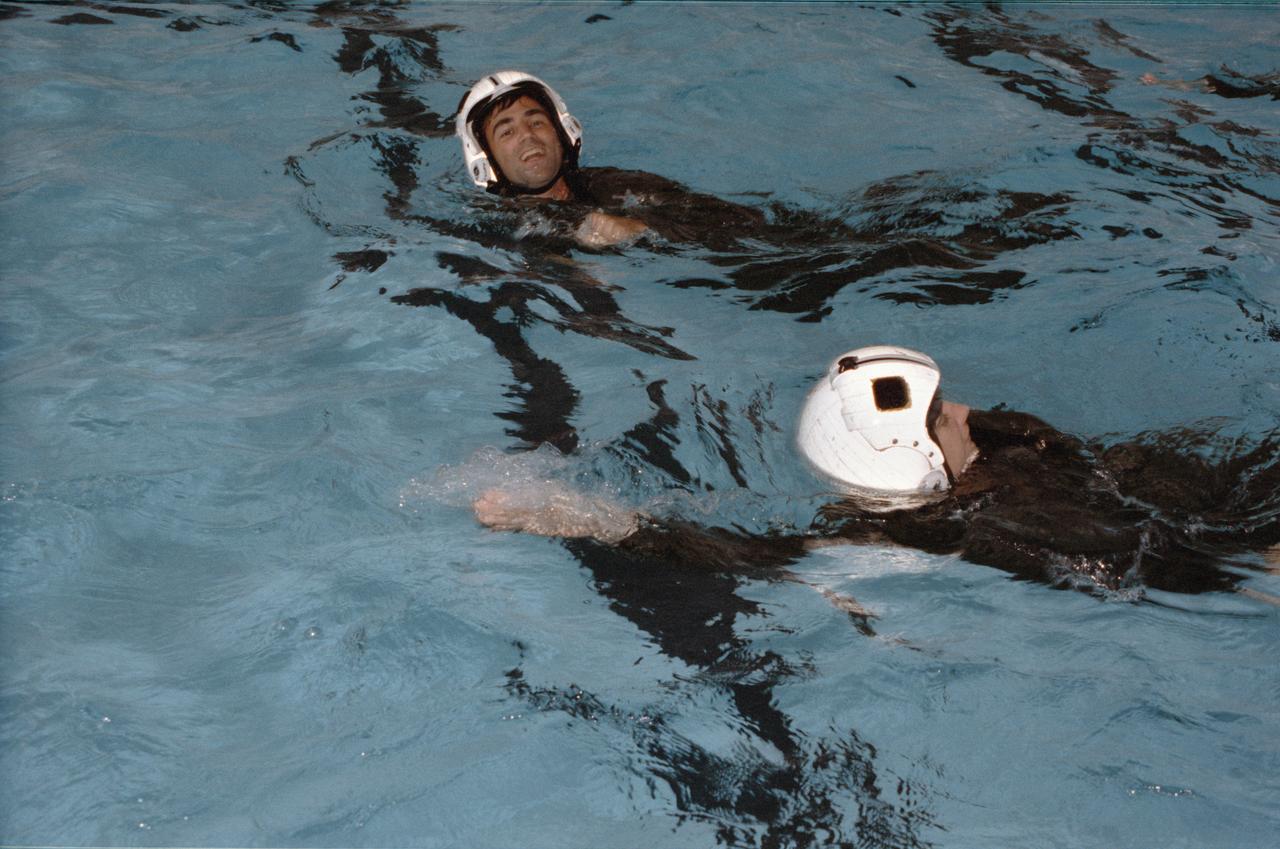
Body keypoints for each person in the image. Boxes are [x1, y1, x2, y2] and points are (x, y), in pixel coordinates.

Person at [473, 346, 1280, 599]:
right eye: (938, 417)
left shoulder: (999, 446)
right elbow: (737, 554)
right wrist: (574, 517)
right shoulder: (991, 526)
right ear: (922, 463)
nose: (961, 410)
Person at [456, 70, 764, 249]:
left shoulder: (615, 185)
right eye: (506, 132)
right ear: (485, 161)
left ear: (564, 133)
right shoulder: (488, 228)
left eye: (536, 121)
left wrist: (642, 228)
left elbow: (741, 221)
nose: (527, 136)